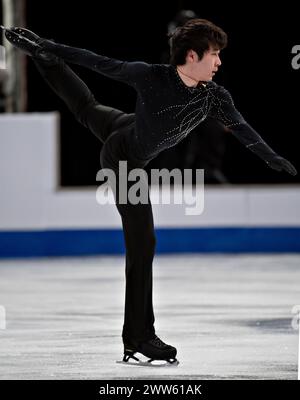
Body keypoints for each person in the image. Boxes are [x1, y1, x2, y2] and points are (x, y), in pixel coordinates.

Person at [3, 19, 297, 366]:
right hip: (123, 157)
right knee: (143, 244)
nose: (219, 62)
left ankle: (42, 58)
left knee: (85, 109)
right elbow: (97, 61)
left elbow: (242, 129)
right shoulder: (152, 76)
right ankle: (139, 336)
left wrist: (272, 157)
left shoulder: (214, 98)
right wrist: (50, 44)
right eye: (215, 54)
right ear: (192, 55)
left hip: (127, 128)